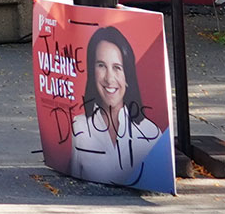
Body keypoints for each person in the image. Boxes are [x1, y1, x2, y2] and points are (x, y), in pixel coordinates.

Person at [67, 23, 169, 186]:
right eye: (101, 65)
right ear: (92, 72)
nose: (109, 78)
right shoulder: (79, 127)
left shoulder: (150, 132)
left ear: (128, 75)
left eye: (117, 68)